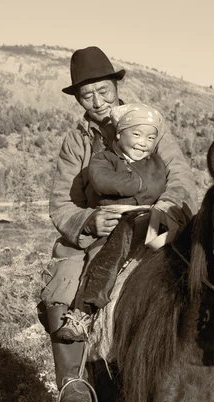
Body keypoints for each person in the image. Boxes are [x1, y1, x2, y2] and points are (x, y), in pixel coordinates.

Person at [40, 46, 198, 402]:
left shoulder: (148, 123)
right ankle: (73, 387)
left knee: (197, 270)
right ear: (78, 98)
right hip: (101, 228)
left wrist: (165, 209)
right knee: (59, 286)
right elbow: (61, 203)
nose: (97, 101)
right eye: (87, 94)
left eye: (103, 91)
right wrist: (89, 221)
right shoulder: (77, 140)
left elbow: (181, 176)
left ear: (116, 86)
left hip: (155, 221)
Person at [56, 102, 167, 342]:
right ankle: (83, 313)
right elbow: (101, 181)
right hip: (115, 221)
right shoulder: (102, 159)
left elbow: (158, 185)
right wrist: (137, 183)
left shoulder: (155, 162)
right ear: (119, 133)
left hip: (150, 218)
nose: (143, 142)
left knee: (180, 257)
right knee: (102, 258)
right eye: (136, 134)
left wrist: (133, 182)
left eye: (150, 137)